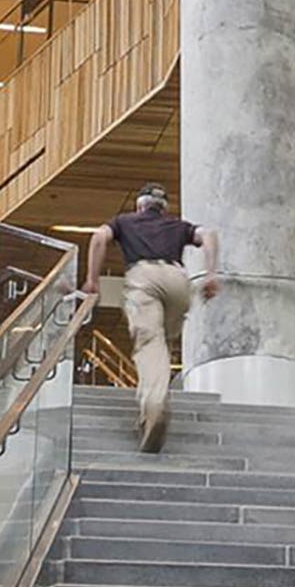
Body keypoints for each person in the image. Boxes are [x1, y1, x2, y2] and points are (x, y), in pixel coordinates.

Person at [75, 183, 220, 451]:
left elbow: (98, 237)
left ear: (140, 206)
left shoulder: (124, 221)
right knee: (162, 344)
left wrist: (92, 280)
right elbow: (208, 235)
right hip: (178, 280)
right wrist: (211, 273)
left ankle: (154, 409)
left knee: (150, 344)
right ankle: (148, 403)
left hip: (144, 278)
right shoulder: (178, 225)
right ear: (164, 208)